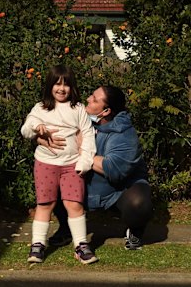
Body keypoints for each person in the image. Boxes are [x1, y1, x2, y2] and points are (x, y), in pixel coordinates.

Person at [39, 85, 153, 250]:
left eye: (94, 99)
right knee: (52, 176)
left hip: (120, 188)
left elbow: (114, 169)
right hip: (87, 184)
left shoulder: (124, 134)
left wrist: (82, 151)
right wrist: (42, 140)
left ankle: (135, 230)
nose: (88, 100)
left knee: (139, 203)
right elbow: (52, 134)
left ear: (105, 111)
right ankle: (67, 227)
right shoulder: (77, 116)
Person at [20, 65, 99, 264]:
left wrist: (84, 162)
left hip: (71, 165)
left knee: (74, 204)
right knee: (45, 204)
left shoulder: (78, 108)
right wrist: (37, 128)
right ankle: (37, 245)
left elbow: (88, 135)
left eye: (66, 85)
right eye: (57, 84)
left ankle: (81, 245)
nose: (61, 89)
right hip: (45, 164)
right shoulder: (40, 108)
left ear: (72, 88)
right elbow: (25, 130)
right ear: (50, 86)